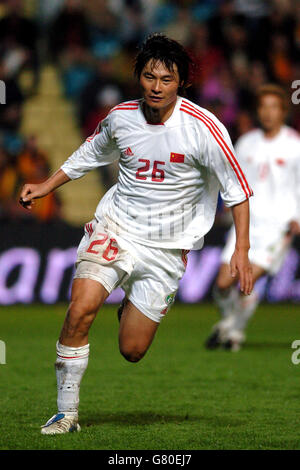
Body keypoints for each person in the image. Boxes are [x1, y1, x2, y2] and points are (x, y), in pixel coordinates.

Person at [19, 34, 253, 435]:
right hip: (117, 227)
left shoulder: (204, 128)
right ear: (139, 77)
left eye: (166, 79)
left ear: (181, 83)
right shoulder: (121, 117)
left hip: (167, 247)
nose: (157, 87)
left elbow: (237, 190)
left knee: (132, 350)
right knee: (80, 309)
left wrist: (241, 250)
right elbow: (88, 153)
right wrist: (45, 185)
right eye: (149, 77)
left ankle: (128, 306)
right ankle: (66, 412)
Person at [205, 84, 300, 352]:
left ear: (283, 111)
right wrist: (226, 204)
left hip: (278, 226)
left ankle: (233, 333)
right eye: (263, 107)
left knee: (248, 282)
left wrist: (297, 217)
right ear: (258, 111)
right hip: (245, 223)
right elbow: (234, 180)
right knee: (223, 284)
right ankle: (228, 324)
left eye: (274, 107)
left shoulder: (295, 145)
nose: (268, 113)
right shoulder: (246, 142)